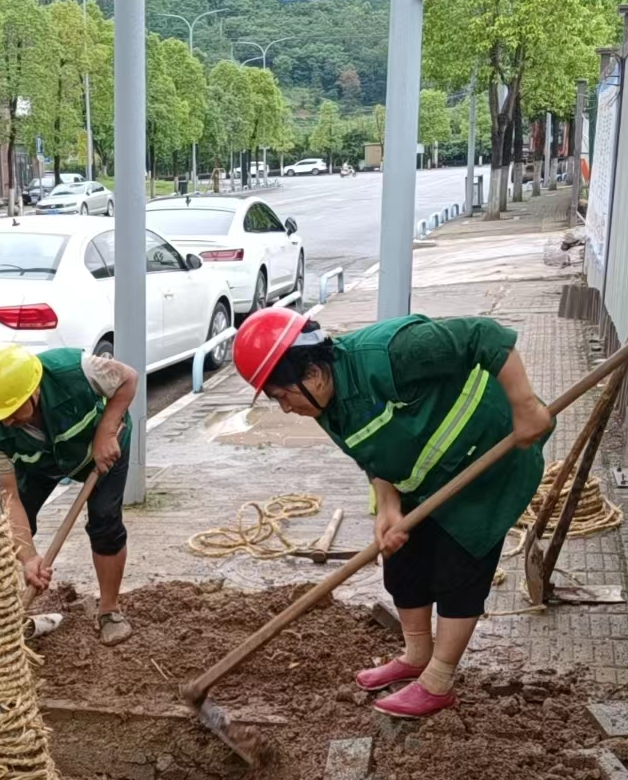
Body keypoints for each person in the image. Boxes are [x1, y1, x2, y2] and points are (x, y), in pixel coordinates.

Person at [232, 306, 553, 718]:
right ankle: (416, 655)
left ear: (311, 372)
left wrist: (525, 407)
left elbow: (486, 335)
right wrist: (387, 505)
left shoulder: (390, 353)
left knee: (459, 563)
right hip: (427, 474)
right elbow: (371, 451)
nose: (286, 409)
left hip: (492, 453)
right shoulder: (323, 401)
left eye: (283, 396)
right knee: (401, 558)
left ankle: (438, 680)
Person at [0, 342, 139, 645]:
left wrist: (106, 430)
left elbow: (128, 378)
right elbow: (7, 495)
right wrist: (28, 558)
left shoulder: (75, 370)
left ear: (34, 391)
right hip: (36, 463)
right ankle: (3, 615)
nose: (7, 422)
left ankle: (109, 611)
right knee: (4, 533)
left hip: (99, 447)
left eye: (13, 412)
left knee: (105, 521)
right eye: (0, 416)